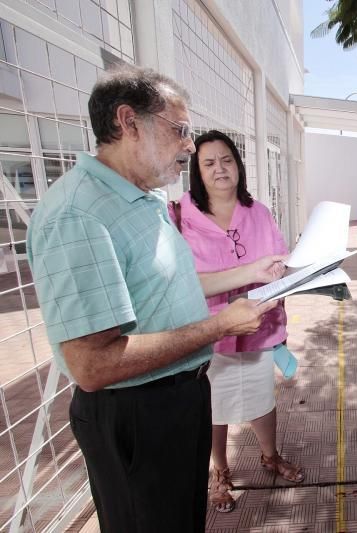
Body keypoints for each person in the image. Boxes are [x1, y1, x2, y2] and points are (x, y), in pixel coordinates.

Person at [25, 66, 276, 532]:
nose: (188, 145)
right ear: (128, 121)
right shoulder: (78, 215)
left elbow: (173, 285)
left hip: (178, 400)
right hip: (138, 416)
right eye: (179, 130)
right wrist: (220, 327)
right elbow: (93, 365)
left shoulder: (143, 200)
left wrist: (252, 273)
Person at [169, 130, 305, 513]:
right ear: (197, 171)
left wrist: (284, 269)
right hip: (210, 332)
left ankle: (270, 456)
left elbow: (280, 259)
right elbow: (179, 281)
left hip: (258, 327)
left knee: (262, 398)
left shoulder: (258, 211)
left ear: (239, 165)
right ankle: (221, 472)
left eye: (227, 160)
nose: (220, 169)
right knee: (215, 407)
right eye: (209, 162)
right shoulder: (183, 216)